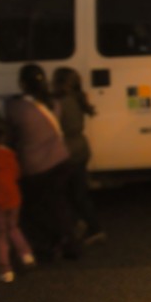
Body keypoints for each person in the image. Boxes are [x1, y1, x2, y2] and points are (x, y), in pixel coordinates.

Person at [3, 64, 81, 261]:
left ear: (22, 83)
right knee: (59, 204)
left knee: (34, 209)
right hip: (62, 161)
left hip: (36, 167)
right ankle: (70, 244)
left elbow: (11, 134)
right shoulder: (53, 103)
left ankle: (50, 244)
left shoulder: (15, 107)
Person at [52, 67, 105, 245]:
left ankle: (93, 227)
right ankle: (84, 224)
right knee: (77, 191)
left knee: (71, 193)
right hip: (81, 147)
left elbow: (54, 126)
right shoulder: (77, 98)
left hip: (69, 150)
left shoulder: (60, 103)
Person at [0, 122, 35, 283]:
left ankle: (4, 270)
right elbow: (17, 173)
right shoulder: (9, 154)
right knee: (13, 228)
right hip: (14, 198)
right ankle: (26, 255)